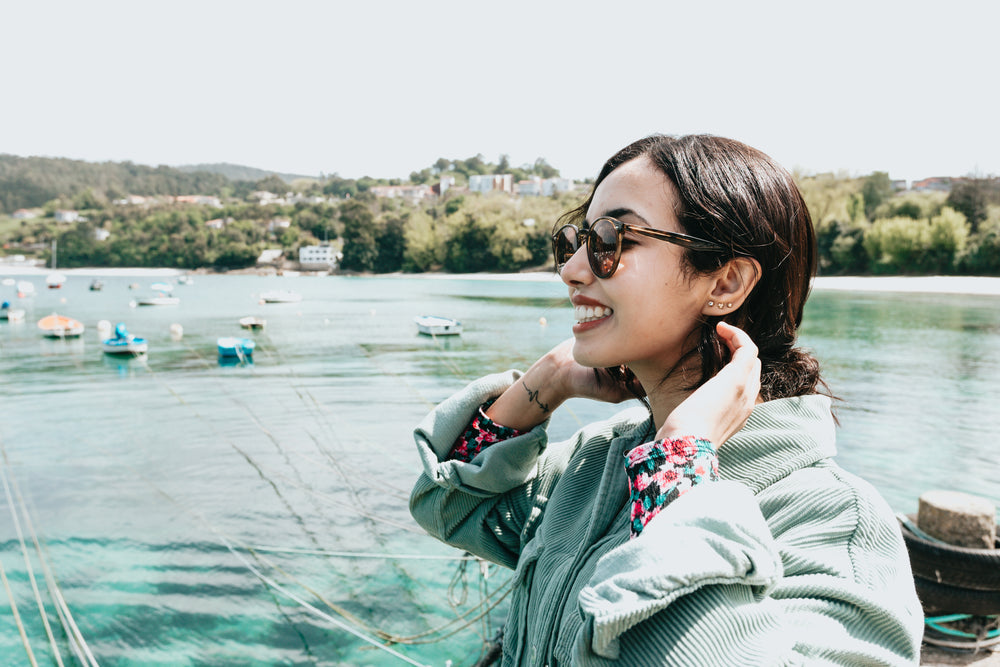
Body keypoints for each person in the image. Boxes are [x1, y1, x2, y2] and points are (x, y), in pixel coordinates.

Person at [409, 134, 924, 665]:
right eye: (576, 240)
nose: (571, 270)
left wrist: (678, 467)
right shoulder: (596, 465)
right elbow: (450, 505)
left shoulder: (833, 523)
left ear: (725, 281)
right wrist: (548, 380)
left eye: (614, 238)